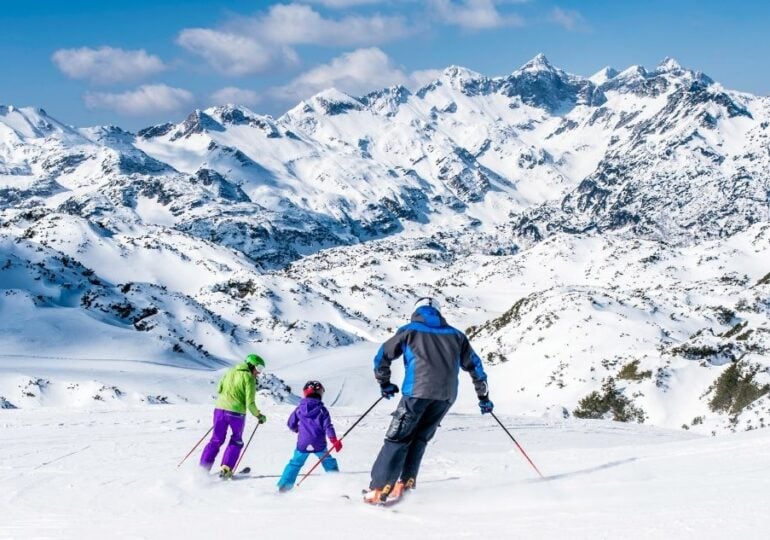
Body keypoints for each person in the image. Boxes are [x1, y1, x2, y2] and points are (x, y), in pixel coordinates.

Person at [364, 297, 493, 504]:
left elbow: (382, 357)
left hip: (417, 392)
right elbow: (476, 367)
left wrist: (385, 384)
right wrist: (483, 397)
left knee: (398, 438)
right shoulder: (457, 335)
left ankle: (379, 488)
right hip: (445, 396)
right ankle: (405, 484)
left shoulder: (409, 330)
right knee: (419, 439)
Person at [199, 353, 267, 478]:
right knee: (237, 440)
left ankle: (203, 469)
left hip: (219, 410)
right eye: (259, 369)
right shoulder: (249, 378)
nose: (259, 373)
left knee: (216, 439)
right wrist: (259, 416)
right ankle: (226, 469)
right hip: (236, 413)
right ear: (251, 365)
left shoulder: (229, 372)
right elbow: (250, 402)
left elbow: (219, 389)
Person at [276, 380, 342, 492]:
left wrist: (297, 429)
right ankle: (335, 483)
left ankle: (285, 486)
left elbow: (290, 423)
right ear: (320, 393)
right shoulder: (322, 410)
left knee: (295, 463)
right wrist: (334, 440)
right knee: (327, 460)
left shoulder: (299, 409)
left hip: (303, 443)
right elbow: (328, 427)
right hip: (319, 444)